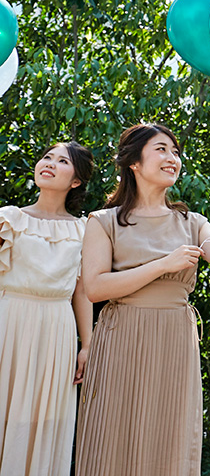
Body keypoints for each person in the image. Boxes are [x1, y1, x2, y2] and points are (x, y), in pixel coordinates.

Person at [76, 123, 210, 475]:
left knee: (170, 435)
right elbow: (96, 288)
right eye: (162, 149)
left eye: (176, 152)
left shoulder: (191, 221)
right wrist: (163, 264)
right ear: (134, 162)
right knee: (115, 432)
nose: (172, 158)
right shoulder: (103, 222)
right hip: (122, 336)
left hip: (175, 340)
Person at [0, 142, 93, 476]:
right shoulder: (9, 218)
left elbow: (82, 290)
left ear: (76, 181)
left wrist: (87, 344)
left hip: (56, 330)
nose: (49, 163)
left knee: (43, 419)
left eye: (62, 161)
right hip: (8, 322)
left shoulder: (84, 230)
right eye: (46, 157)